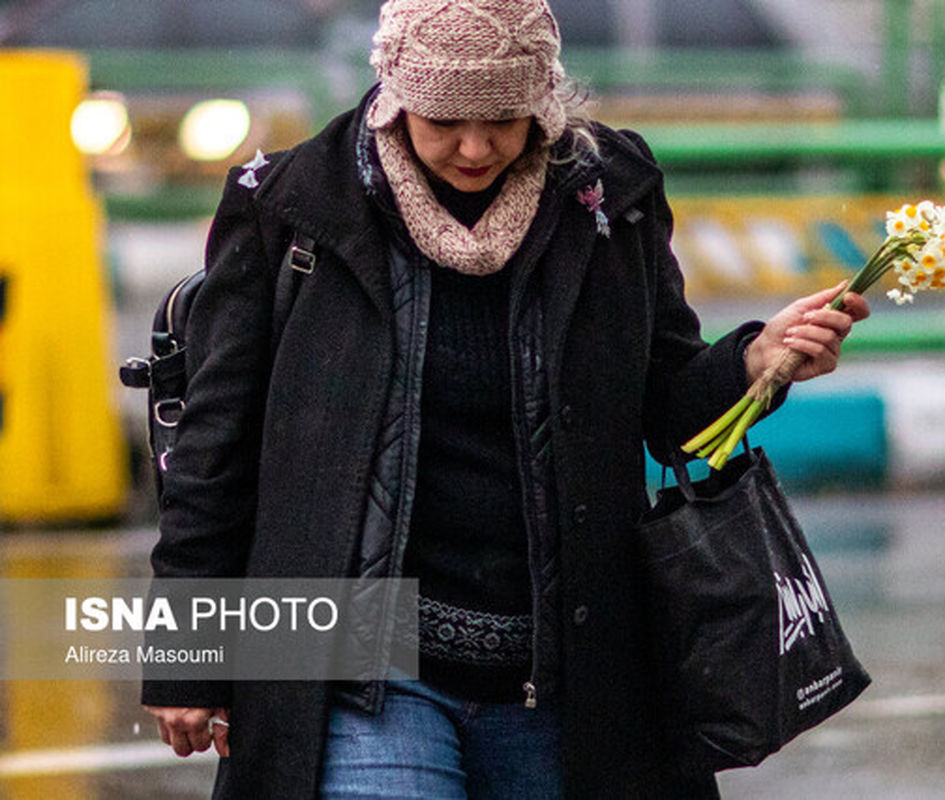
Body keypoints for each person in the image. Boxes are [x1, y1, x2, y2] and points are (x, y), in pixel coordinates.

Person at [141, 0, 870, 797]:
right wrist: (189, 652)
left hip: (568, 672)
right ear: (396, 94)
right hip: (359, 670)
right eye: (446, 120)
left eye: (504, 119)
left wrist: (757, 362)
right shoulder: (295, 207)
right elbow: (215, 449)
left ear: (542, 102)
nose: (476, 147)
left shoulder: (607, 200)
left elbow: (667, 412)